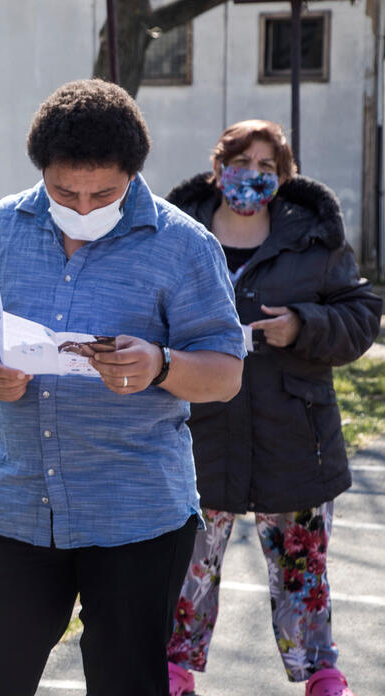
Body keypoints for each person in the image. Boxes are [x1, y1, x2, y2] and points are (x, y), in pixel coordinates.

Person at [0, 79, 246, 696]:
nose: (81, 206)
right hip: (19, 506)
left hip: (138, 516)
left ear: (133, 174)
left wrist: (159, 364)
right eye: (62, 191)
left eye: (101, 192)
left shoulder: (184, 244)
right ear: (41, 173)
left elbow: (226, 374)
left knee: (125, 683)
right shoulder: (2, 227)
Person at [164, 120, 381, 696]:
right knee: (187, 563)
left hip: (294, 433)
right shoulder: (176, 234)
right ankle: (173, 669)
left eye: (268, 167)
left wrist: (303, 326)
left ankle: (321, 675)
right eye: (242, 162)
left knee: (302, 567)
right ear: (218, 167)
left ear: (283, 178)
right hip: (199, 432)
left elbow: (361, 317)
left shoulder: (314, 237)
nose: (252, 177)